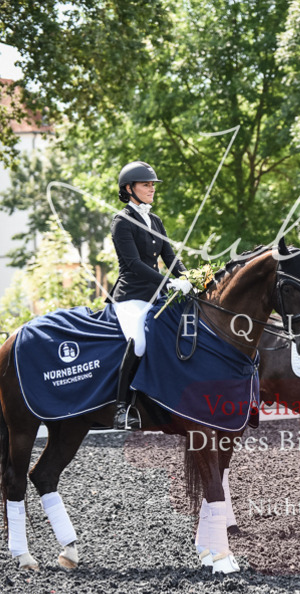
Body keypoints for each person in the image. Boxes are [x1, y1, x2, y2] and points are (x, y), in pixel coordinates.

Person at [109, 161, 189, 430]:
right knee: (139, 343)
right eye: (146, 184)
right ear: (129, 189)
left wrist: (188, 278)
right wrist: (169, 283)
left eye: (153, 184)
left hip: (155, 296)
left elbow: (170, 257)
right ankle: (121, 407)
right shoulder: (121, 222)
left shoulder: (155, 220)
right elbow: (133, 264)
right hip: (130, 296)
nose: (152, 188)